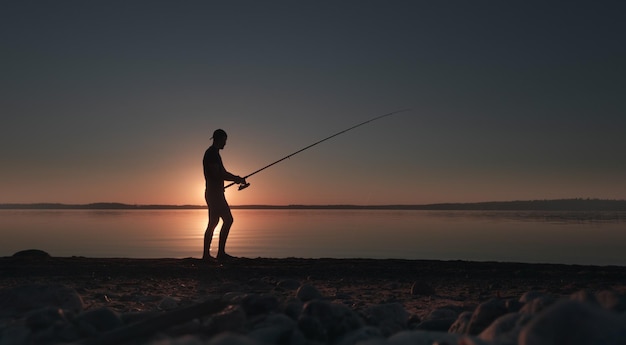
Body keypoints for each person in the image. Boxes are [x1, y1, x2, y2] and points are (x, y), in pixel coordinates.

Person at [203, 129, 246, 261]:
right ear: (219, 139)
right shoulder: (211, 154)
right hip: (214, 194)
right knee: (227, 220)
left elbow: (222, 172)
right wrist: (236, 178)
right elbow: (218, 174)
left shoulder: (215, 154)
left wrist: (235, 178)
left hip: (214, 193)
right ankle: (218, 254)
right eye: (224, 140)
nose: (225, 143)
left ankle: (209, 255)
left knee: (214, 222)